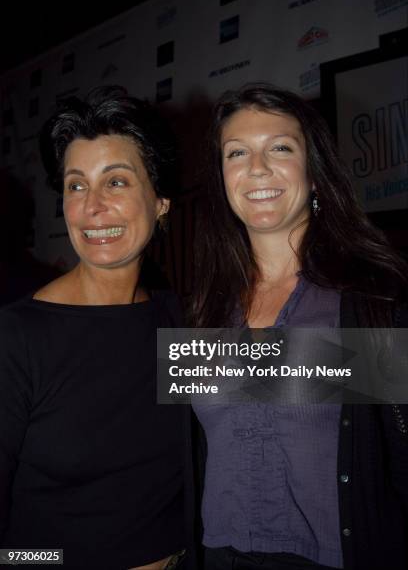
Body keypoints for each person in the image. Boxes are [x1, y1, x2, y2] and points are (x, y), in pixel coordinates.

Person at [190, 83, 408, 570]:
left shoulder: (376, 299)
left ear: (315, 174)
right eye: (237, 152)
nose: (258, 168)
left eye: (281, 148)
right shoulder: (203, 308)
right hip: (221, 556)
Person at [0, 86, 189, 570]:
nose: (92, 206)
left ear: (161, 200)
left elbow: (346, 372)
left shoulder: (178, 322)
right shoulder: (18, 339)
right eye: (76, 185)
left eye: (117, 182)